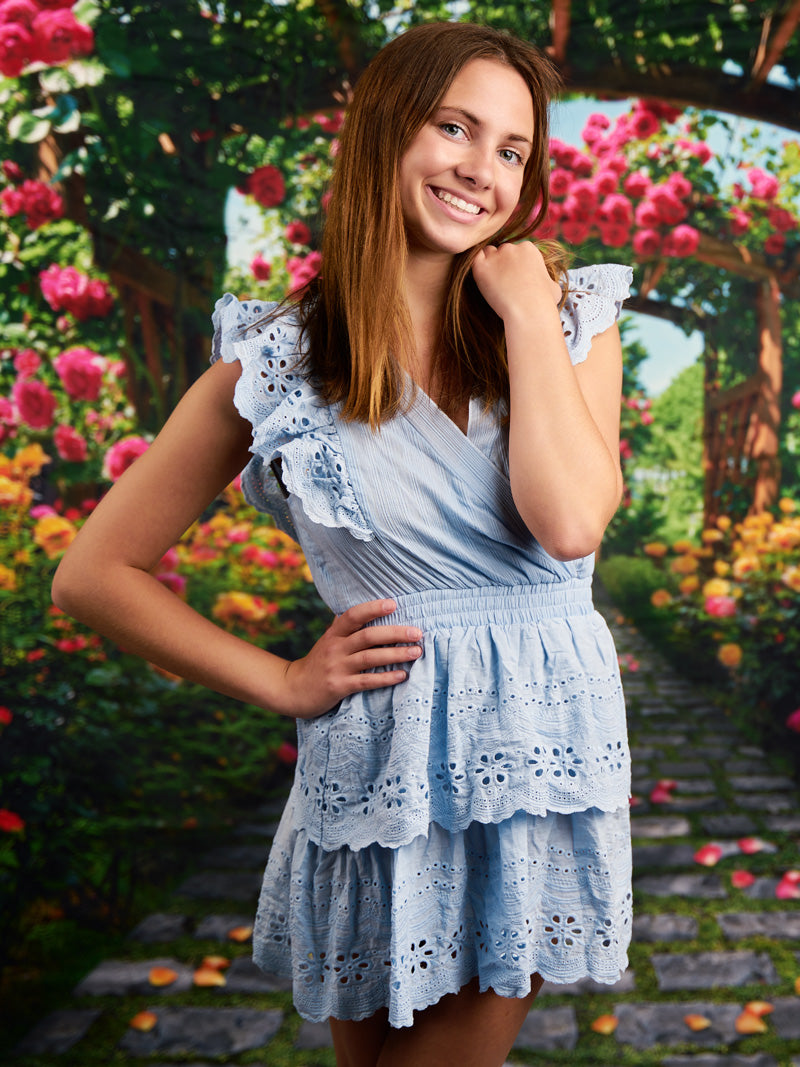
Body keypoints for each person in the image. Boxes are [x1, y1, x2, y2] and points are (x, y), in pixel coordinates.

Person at [53, 20, 633, 1067]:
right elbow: (92, 573)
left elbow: (570, 521)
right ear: (382, 133)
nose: (481, 168)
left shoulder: (567, 315)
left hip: (526, 759)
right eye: (453, 127)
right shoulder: (276, 365)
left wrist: (526, 315)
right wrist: (280, 679)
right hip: (376, 770)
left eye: (511, 149)